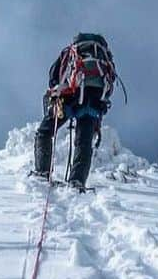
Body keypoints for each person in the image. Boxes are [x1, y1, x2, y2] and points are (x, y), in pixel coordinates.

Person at [32, 33, 117, 189]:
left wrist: (55, 93)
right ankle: (77, 181)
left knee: (45, 132)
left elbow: (54, 75)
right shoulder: (104, 59)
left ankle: (42, 172)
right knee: (83, 143)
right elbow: (110, 85)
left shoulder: (70, 53)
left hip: (69, 98)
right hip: (93, 103)